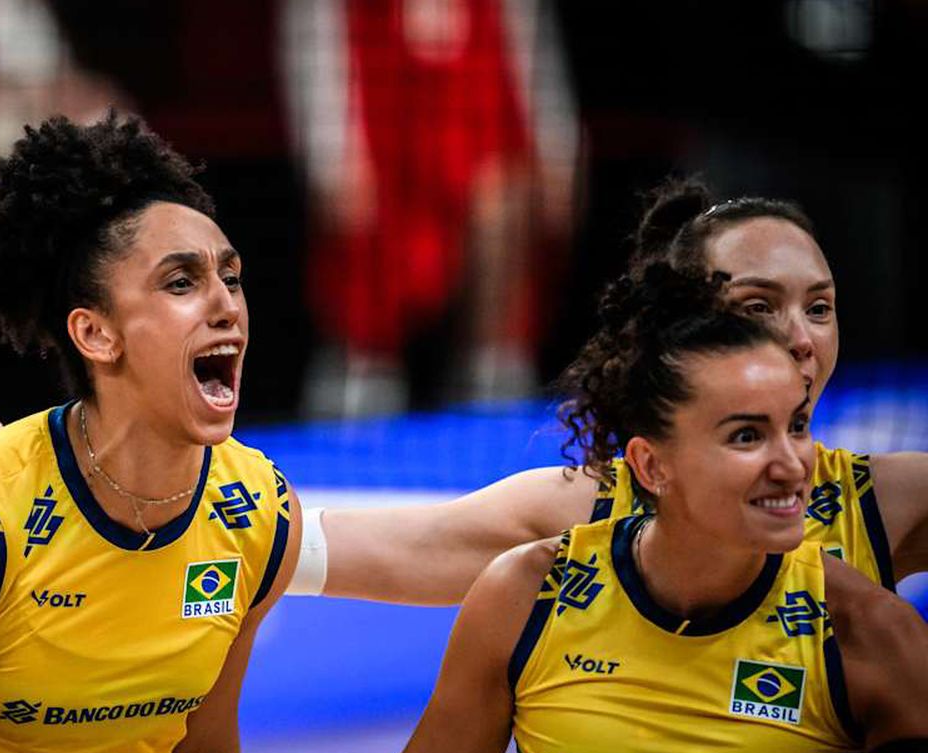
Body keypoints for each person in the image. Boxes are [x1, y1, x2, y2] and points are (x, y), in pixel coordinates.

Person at [378, 261, 928, 753]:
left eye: (798, 426)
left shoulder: (871, 635)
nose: (792, 464)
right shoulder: (527, 597)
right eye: (746, 436)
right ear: (650, 465)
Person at [0, 113, 301, 753]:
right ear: (96, 334)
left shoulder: (260, 509)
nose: (226, 305)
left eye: (231, 277)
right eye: (181, 283)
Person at [291, 180, 928, 603]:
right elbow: (311, 549)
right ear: (682, 326)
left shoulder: (885, 505)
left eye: (819, 308)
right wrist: (235, 519)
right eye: (758, 305)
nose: (801, 339)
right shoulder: (584, 515)